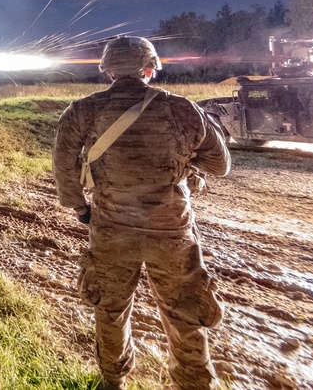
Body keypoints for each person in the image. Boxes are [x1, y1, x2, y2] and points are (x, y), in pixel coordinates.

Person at [52, 36, 231, 390]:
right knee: (184, 313)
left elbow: (63, 166)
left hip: (111, 229)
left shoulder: (83, 111)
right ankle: (194, 383)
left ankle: (113, 381)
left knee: (110, 309)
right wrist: (185, 163)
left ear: (108, 70)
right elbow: (221, 164)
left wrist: (81, 210)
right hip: (171, 230)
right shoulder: (181, 109)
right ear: (149, 68)